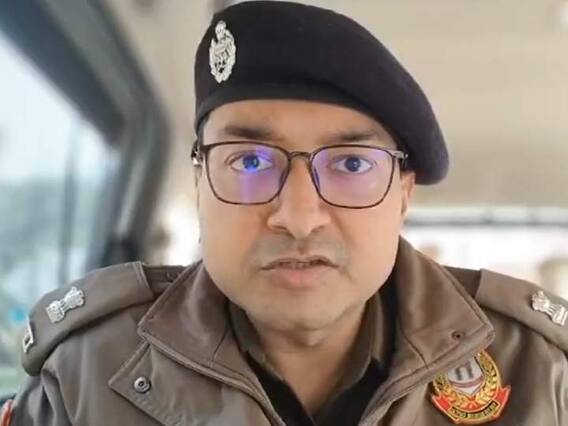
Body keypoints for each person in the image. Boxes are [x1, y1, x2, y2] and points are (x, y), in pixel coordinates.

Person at [2, 1, 567, 425]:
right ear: (200, 184)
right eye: (249, 160)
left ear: (403, 194)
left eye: (350, 163)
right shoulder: (83, 380)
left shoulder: (542, 376)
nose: (298, 217)